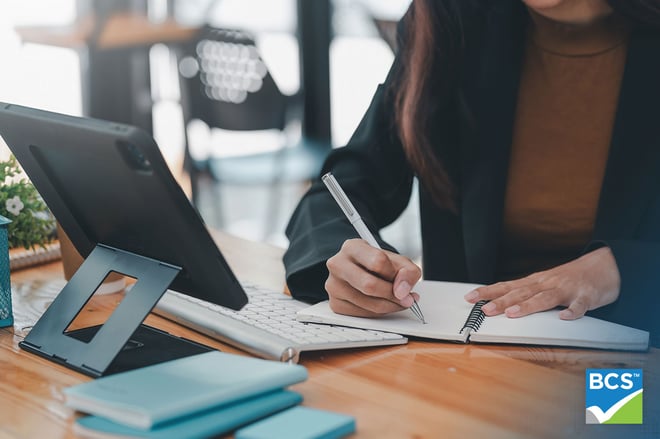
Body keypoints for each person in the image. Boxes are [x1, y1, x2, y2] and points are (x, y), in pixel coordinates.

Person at [283, 0, 660, 347]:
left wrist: (624, 268)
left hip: (631, 361)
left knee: (610, 422)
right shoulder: (450, 19)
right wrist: (353, 267)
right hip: (465, 358)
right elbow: (340, 192)